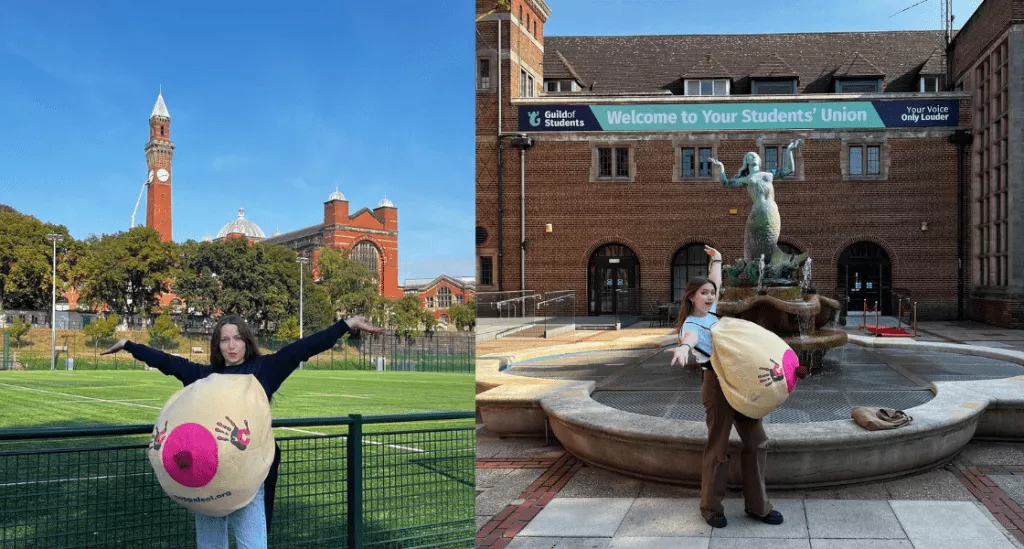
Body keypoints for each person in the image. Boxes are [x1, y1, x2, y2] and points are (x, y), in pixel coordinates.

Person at [102, 314, 383, 549]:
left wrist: (347, 324)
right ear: (218, 345)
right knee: (211, 545)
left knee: (252, 544)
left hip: (250, 480)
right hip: (208, 477)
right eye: (225, 339)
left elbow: (304, 348)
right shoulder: (204, 377)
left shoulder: (264, 370)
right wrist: (129, 345)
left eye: (237, 338)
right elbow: (167, 362)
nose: (231, 345)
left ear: (246, 341)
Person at [665, 245, 783, 529]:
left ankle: (758, 505)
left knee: (757, 441)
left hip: (739, 384)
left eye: (711, 293)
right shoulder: (691, 323)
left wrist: (717, 259)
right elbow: (690, 338)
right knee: (717, 447)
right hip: (716, 385)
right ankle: (711, 507)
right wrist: (683, 348)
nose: (709, 296)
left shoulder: (712, 312)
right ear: (691, 297)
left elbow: (716, 281)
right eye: (702, 293)